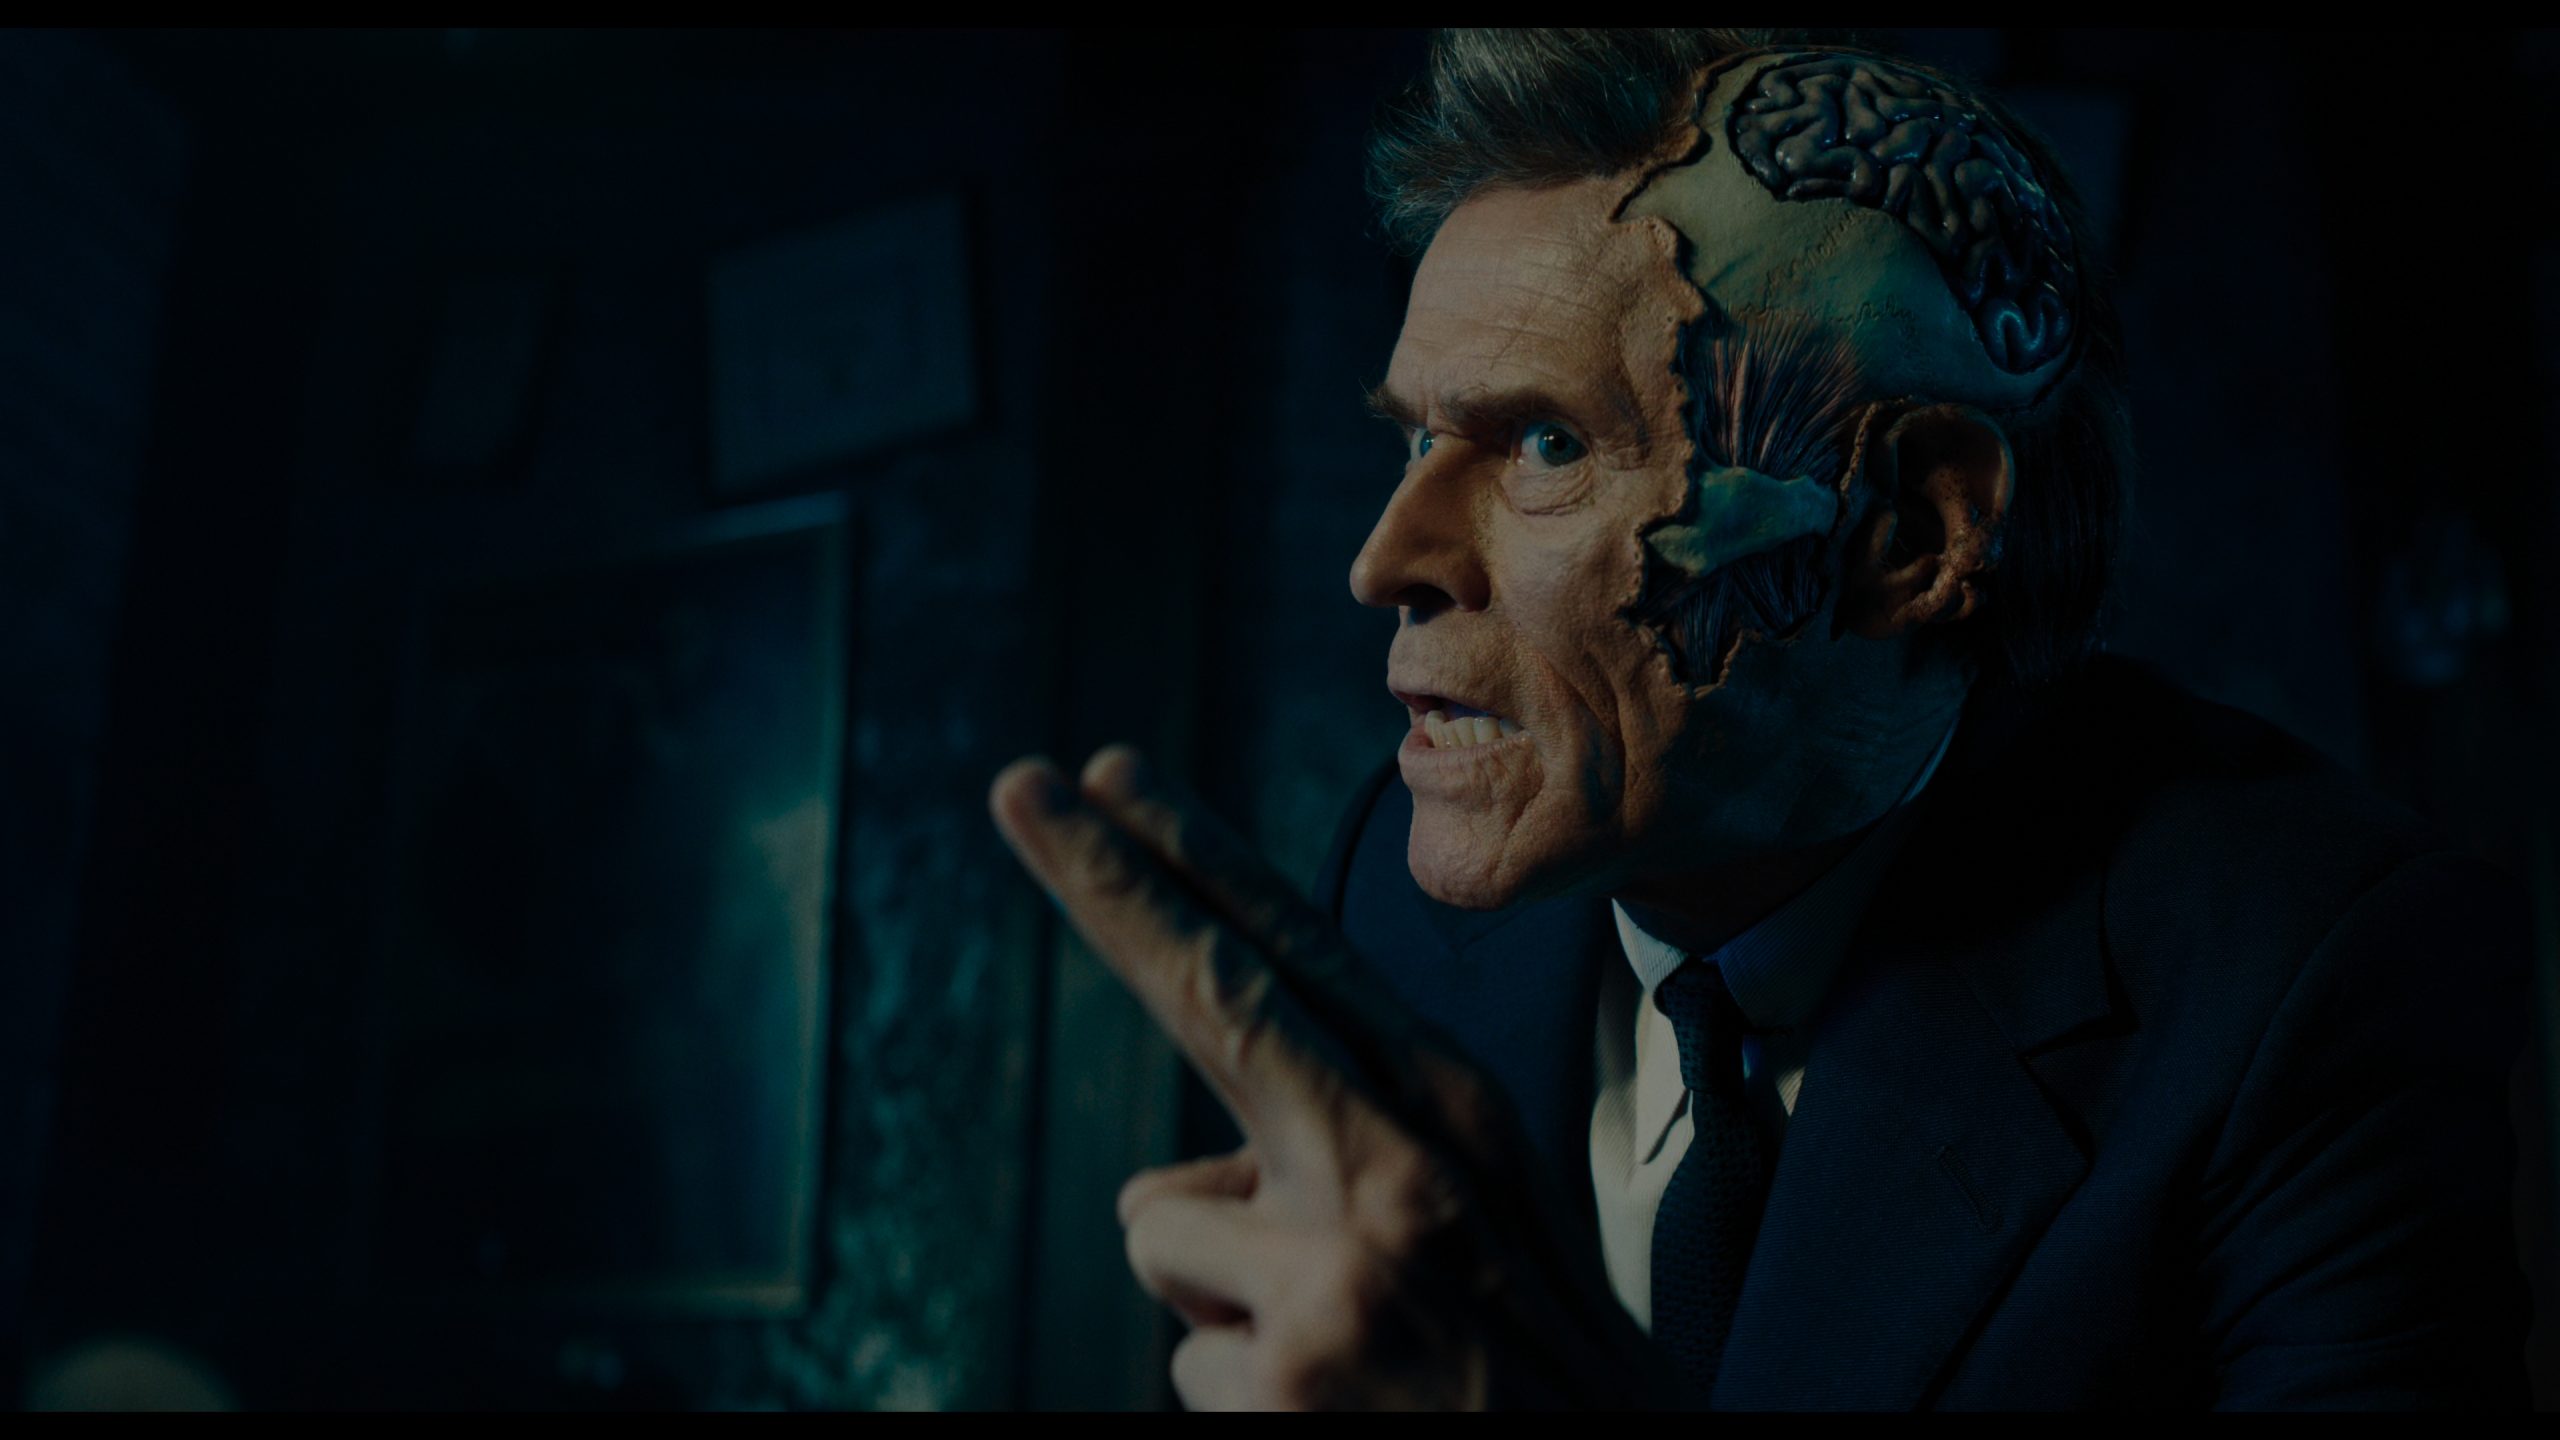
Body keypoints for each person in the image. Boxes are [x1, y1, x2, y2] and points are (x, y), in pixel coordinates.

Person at [988, 28, 2534, 1410]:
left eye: (1545, 444)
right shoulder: (1401, 876)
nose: (1385, 560)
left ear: (1913, 536)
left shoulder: (2307, 981)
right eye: (1413, 442)